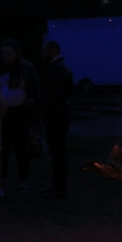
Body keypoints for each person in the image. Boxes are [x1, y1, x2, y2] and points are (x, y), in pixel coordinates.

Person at [0, 39, 39, 193]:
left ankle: (23, 178)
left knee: (21, 147)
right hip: (3, 113)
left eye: (9, 53)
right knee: (3, 146)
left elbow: (34, 88)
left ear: (16, 54)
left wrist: (32, 100)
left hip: (21, 112)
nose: (7, 56)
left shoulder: (26, 69)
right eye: (4, 53)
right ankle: (2, 178)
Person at [39, 41, 74, 198]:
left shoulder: (57, 69)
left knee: (58, 151)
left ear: (51, 52)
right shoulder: (60, 67)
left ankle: (59, 187)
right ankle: (57, 185)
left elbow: (56, 96)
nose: (42, 56)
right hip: (59, 115)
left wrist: (46, 109)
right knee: (58, 151)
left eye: (44, 52)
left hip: (56, 116)